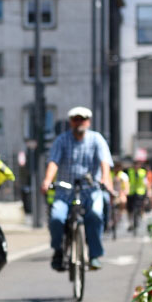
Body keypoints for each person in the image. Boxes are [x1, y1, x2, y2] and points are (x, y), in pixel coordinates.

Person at [40, 106, 112, 271]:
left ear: (88, 121)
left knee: (95, 215)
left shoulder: (97, 139)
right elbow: (53, 162)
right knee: (56, 218)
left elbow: (105, 161)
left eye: (82, 119)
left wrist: (105, 179)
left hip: (90, 190)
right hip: (65, 191)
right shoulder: (61, 140)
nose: (79, 122)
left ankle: (94, 255)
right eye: (75, 119)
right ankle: (58, 251)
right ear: (71, 122)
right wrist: (47, 180)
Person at [125, 158, 150, 231]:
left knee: (138, 207)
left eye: (138, 165)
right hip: (131, 192)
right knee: (129, 209)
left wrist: (148, 191)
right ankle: (130, 223)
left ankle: (138, 218)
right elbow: (127, 181)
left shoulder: (143, 172)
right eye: (135, 165)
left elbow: (146, 182)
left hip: (140, 192)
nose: (136, 166)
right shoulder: (130, 171)